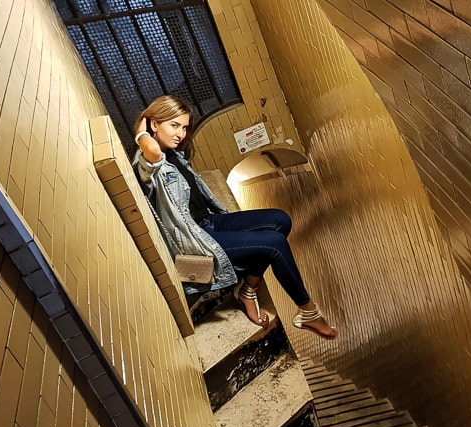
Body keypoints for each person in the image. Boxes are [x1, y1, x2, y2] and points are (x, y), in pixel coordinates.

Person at [132, 95, 336, 340]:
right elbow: (152, 150)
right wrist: (142, 130)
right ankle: (308, 312)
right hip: (196, 239)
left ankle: (247, 290)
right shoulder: (147, 163)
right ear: (155, 124)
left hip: (209, 222)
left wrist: (153, 129)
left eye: (184, 127)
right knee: (273, 243)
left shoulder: (175, 154)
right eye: (174, 125)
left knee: (280, 220)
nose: (181, 134)